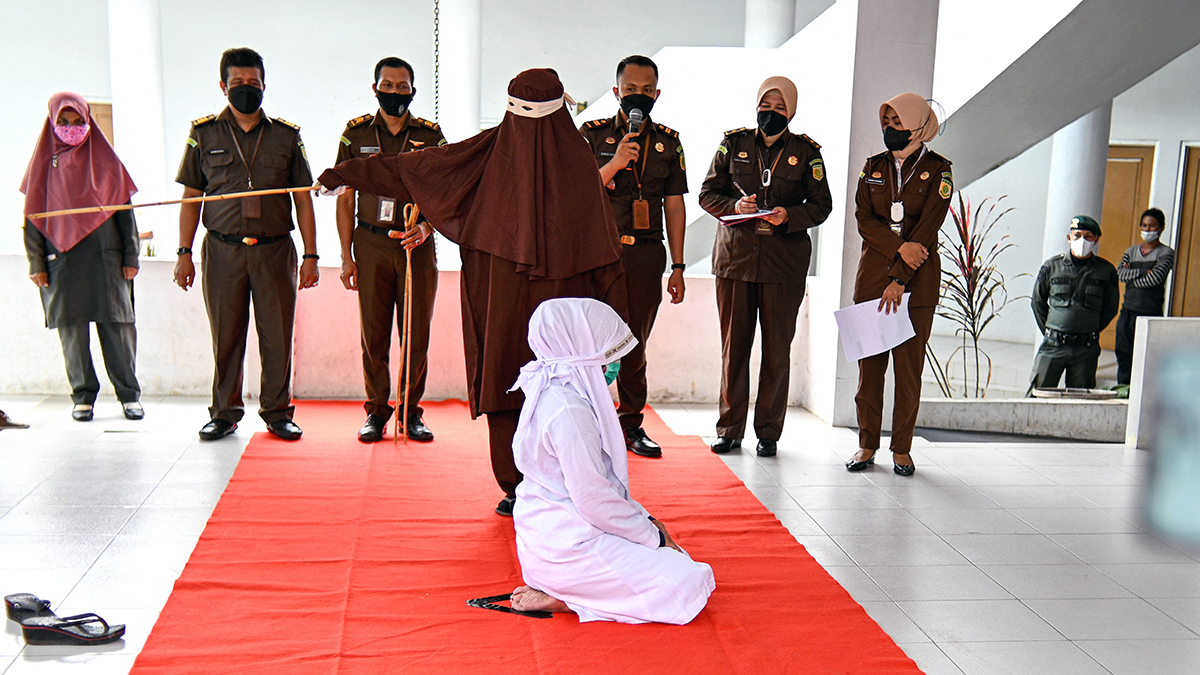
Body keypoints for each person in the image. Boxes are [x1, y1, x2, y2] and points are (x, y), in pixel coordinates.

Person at [318, 68, 628, 517]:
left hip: (499, 299)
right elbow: (605, 252)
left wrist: (343, 174)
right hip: (561, 306)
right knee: (557, 385)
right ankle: (563, 485)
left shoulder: (490, 151)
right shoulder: (577, 160)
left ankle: (517, 486)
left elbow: (413, 172)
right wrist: (611, 329)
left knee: (507, 375)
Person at [507, 298, 715, 623]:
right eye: (608, 355)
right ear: (582, 350)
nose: (613, 365)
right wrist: (654, 536)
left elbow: (600, 488)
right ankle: (569, 599)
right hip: (570, 548)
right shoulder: (568, 410)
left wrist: (647, 524)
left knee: (672, 555)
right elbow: (594, 500)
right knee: (688, 580)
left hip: (550, 541)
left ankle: (569, 590)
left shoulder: (552, 391)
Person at [173, 48, 319, 442]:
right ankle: (224, 413)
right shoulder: (203, 134)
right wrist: (183, 253)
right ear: (223, 86)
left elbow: (303, 198)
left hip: (275, 250)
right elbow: (190, 198)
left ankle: (277, 411)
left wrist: (310, 256)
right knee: (227, 334)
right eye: (238, 83)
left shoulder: (287, 136)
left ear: (264, 86)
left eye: (253, 84)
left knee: (277, 335)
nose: (246, 90)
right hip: (223, 251)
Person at [698, 76, 832, 458]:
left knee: (776, 351)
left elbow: (822, 205)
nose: (770, 114)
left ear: (791, 112)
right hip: (735, 262)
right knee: (734, 349)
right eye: (765, 106)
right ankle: (729, 429)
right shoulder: (733, 143)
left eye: (779, 108)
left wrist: (789, 214)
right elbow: (708, 193)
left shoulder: (807, 153)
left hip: (783, 265)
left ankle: (769, 432)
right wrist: (733, 208)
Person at [579, 55, 688, 459]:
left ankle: (629, 426)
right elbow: (577, 192)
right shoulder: (590, 136)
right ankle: (587, 423)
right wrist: (616, 163)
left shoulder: (668, 143)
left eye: (646, 91)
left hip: (646, 254)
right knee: (590, 342)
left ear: (656, 95)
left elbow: (674, 207)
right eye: (630, 91)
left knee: (634, 345)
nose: (637, 98)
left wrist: (677, 266)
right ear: (616, 93)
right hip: (600, 254)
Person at [336, 57, 446, 443]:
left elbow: (445, 194)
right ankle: (377, 412)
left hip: (416, 245)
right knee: (374, 332)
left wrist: (426, 227)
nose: (395, 93)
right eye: (388, 85)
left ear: (413, 91)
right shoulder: (354, 135)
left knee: (415, 334)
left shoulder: (430, 136)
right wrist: (347, 256)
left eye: (402, 87)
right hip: (369, 243)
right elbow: (344, 196)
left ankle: (410, 413)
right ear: (375, 88)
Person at [846, 93, 953, 477]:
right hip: (871, 281)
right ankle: (866, 444)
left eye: (897, 121)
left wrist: (899, 279)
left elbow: (928, 228)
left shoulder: (940, 170)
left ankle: (902, 449)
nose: (889, 128)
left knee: (908, 371)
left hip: (917, 284)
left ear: (918, 125)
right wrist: (899, 248)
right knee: (869, 371)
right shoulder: (872, 167)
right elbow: (864, 219)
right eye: (886, 121)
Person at [21, 92, 143, 423]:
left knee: (117, 328)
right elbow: (32, 217)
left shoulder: (105, 160)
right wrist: (36, 263)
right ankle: (83, 397)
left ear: (88, 121)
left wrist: (131, 255)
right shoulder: (43, 165)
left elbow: (125, 215)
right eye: (63, 122)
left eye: (78, 122)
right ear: (51, 122)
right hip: (61, 261)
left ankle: (129, 396)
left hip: (107, 259)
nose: (71, 128)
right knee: (72, 332)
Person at [1028, 215, 1120, 393]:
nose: (1082, 240)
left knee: (1080, 401)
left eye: (1088, 236)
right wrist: (1051, 330)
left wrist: (1089, 329)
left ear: (1096, 239)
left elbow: (1110, 308)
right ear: (1069, 238)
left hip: (1085, 349)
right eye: (1077, 235)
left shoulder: (1105, 271)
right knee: (1039, 396)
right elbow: (1037, 302)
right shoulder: (1052, 267)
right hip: (1053, 345)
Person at [1115, 208, 1175, 385]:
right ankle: (1123, 392)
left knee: (1146, 359)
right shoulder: (1132, 251)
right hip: (1127, 312)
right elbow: (1119, 274)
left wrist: (1131, 275)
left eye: (1152, 226)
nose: (1147, 229)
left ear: (1162, 228)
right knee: (1124, 356)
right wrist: (1143, 271)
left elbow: (1155, 279)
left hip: (1149, 314)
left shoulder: (1166, 253)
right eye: (1145, 225)